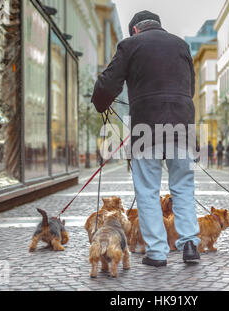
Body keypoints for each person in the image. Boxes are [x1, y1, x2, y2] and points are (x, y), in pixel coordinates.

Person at [91, 11, 200, 266]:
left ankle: (157, 253)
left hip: (146, 127)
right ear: (158, 26)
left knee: (148, 191)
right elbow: (190, 88)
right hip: (182, 124)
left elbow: (108, 85)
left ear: (135, 30)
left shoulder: (129, 45)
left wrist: (100, 103)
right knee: (183, 186)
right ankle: (191, 245)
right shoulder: (181, 45)